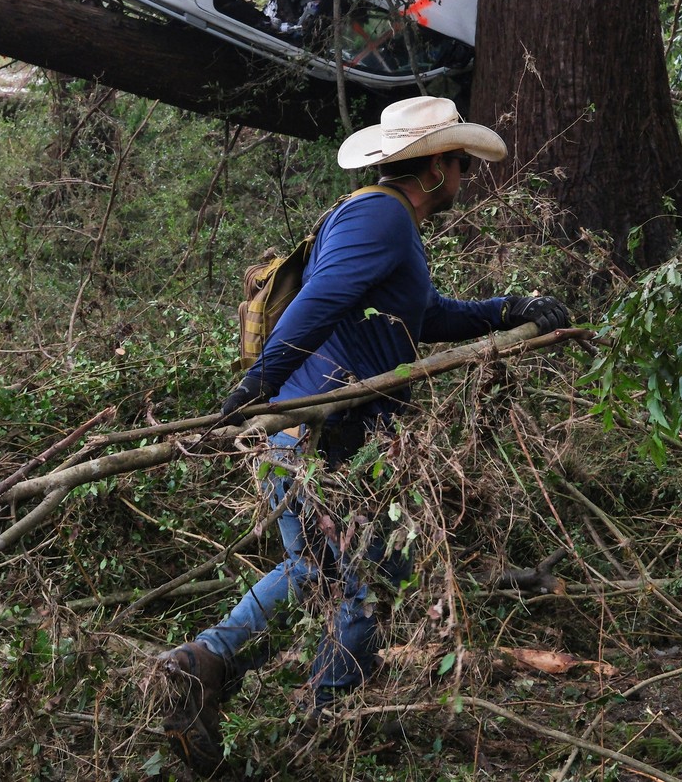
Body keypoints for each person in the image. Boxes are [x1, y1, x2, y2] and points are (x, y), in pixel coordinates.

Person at [157, 95, 571, 774]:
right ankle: (318, 733)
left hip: (307, 433)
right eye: (461, 163)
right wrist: (258, 384)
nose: (466, 177)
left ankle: (200, 669)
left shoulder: (384, 222)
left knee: (317, 571)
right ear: (436, 165)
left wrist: (509, 309)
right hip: (325, 434)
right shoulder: (381, 215)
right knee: (371, 580)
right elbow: (322, 302)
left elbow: (423, 314)